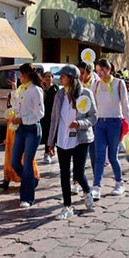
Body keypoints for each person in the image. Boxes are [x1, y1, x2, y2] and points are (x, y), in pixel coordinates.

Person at [46, 65, 97, 219]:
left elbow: (94, 116)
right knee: (64, 174)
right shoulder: (59, 95)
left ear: (71, 78)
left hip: (81, 139)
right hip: (63, 138)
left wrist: (79, 124)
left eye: (63, 76)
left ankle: (87, 191)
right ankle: (67, 206)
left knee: (78, 173)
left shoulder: (85, 94)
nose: (60, 78)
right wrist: (50, 142)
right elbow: (54, 119)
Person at [91, 59, 129, 197]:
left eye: (102, 70)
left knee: (112, 155)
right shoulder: (96, 84)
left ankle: (119, 182)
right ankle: (96, 186)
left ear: (109, 68)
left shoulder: (119, 83)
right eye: (97, 71)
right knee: (99, 156)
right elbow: (92, 105)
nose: (100, 73)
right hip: (99, 123)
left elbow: (125, 105)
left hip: (115, 122)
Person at [8, 63, 45, 207]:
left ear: (27, 75)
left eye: (21, 75)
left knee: (28, 163)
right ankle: (32, 181)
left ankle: (27, 197)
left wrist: (23, 119)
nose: (19, 77)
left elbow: (40, 113)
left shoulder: (36, 90)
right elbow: (15, 105)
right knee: (15, 161)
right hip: (20, 129)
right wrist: (13, 91)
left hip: (32, 129)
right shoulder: (21, 89)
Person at [41, 70, 59, 164]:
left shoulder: (55, 88)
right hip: (44, 115)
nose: (48, 78)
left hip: (54, 114)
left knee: (54, 133)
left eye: (49, 76)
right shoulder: (41, 89)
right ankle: (47, 152)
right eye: (46, 76)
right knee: (47, 134)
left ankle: (52, 149)